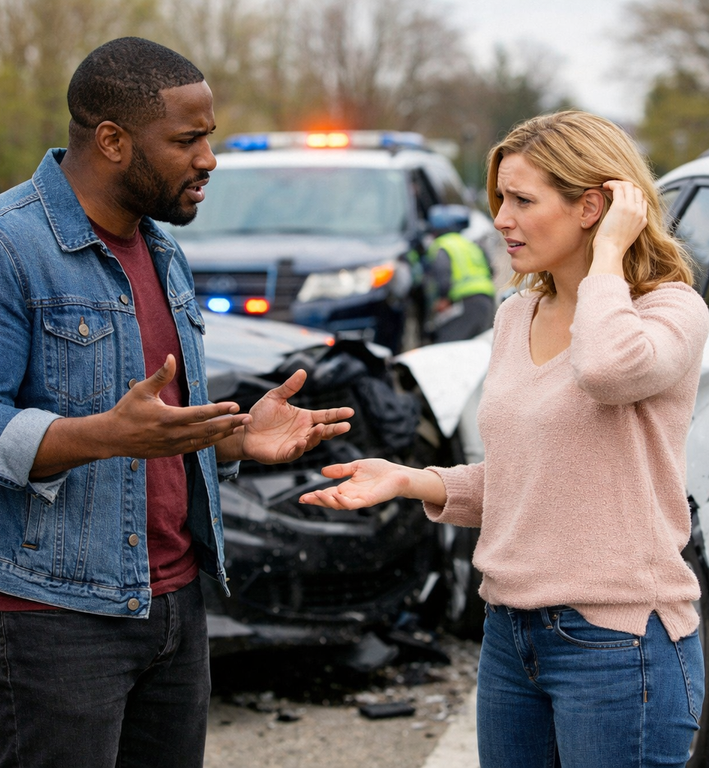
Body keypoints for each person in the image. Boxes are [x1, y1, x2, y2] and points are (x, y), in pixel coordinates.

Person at [0, 37, 354, 768]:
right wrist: (103, 435)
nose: (208, 159)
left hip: (173, 602)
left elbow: (153, 436)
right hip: (50, 616)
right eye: (187, 140)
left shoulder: (163, 251)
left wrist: (232, 438)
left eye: (209, 137)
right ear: (112, 141)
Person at [300, 110, 709, 768]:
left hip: (618, 640)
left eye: (522, 200)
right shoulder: (517, 313)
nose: (499, 219)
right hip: (511, 635)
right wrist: (408, 480)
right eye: (499, 199)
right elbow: (525, 476)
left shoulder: (669, 310)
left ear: (593, 207)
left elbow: (606, 370)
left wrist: (608, 256)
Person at [423, 204, 496, 342]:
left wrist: (443, 298)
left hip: (465, 301)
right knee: (480, 344)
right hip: (487, 299)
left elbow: (442, 272)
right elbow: (491, 270)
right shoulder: (470, 243)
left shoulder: (442, 245)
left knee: (450, 344)